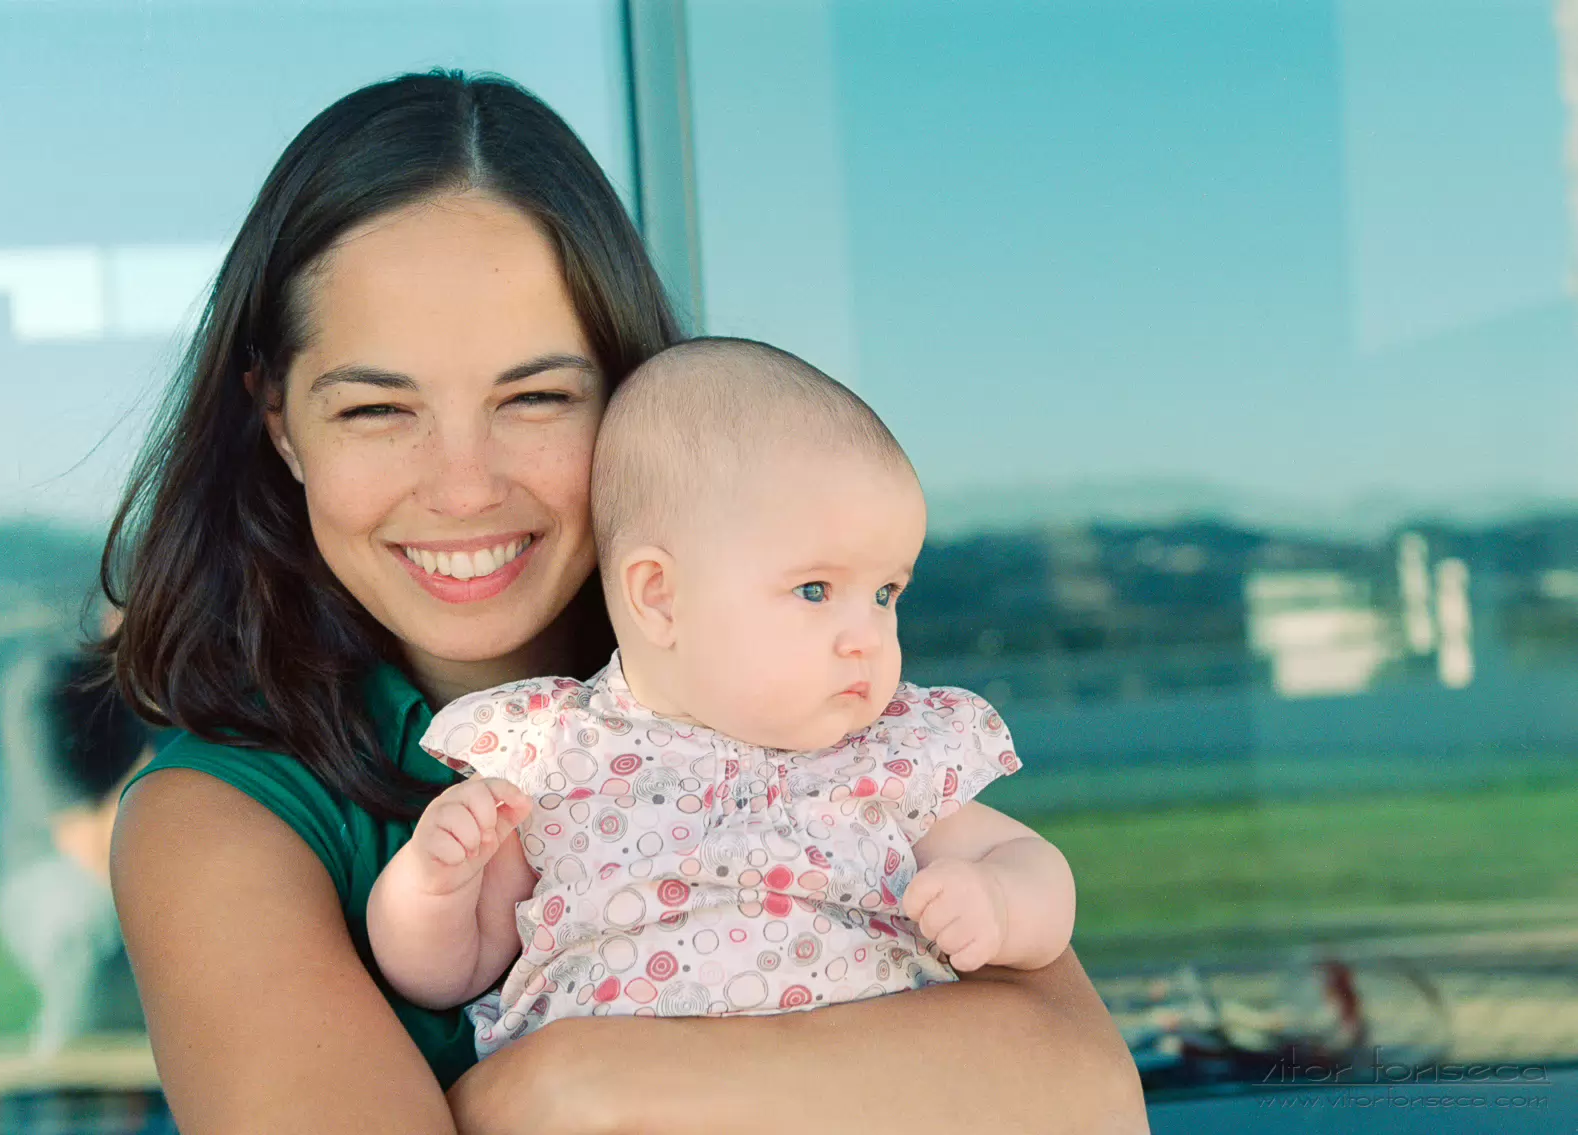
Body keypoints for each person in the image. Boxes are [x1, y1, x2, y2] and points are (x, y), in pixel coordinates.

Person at [106, 70, 1146, 1133]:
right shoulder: (222, 818)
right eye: (377, 409)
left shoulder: (791, 684)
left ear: (631, 397)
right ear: (281, 423)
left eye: (537, 396)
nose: (463, 489)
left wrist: (571, 1086)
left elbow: (1091, 1093)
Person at [369, 338, 1079, 1061]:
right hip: (629, 1098)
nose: (867, 637)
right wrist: (434, 885)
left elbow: (1028, 859)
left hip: (860, 1089)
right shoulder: (560, 758)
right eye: (815, 589)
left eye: (885, 593)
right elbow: (447, 972)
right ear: (660, 596)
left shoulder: (883, 758)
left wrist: (999, 903)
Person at [0, 645, 152, 1053]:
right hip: (53, 875)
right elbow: (93, 848)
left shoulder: (212, 692)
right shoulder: (49, 686)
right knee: (96, 926)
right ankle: (67, 1081)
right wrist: (166, 745)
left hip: (163, 878)